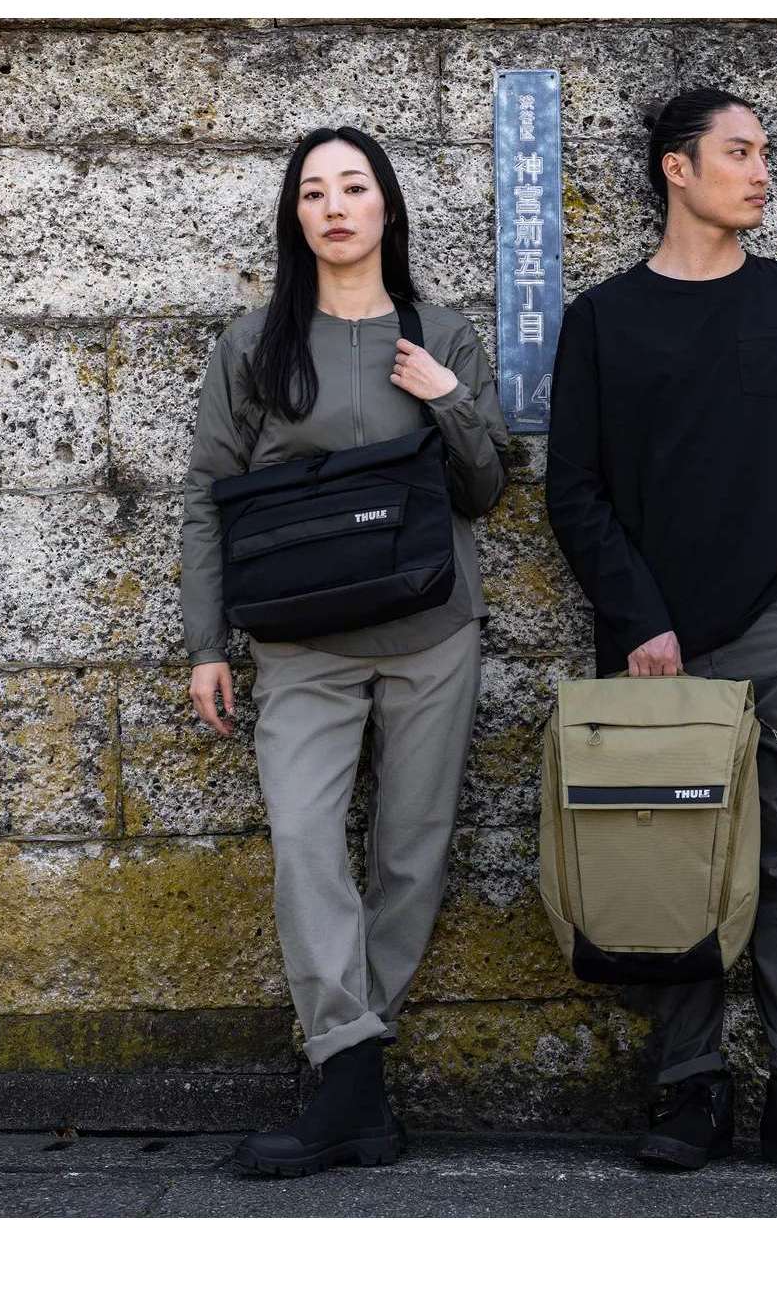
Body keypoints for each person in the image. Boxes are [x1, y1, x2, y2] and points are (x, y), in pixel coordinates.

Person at [544, 87, 777, 1180]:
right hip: (651, 643)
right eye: (738, 152)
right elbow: (573, 488)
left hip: (774, 628)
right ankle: (690, 1085)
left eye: (764, 154)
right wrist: (639, 617)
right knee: (668, 862)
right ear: (676, 168)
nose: (761, 172)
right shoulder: (604, 319)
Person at [181, 125, 510, 1176]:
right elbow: (207, 494)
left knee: (412, 849)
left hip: (431, 632)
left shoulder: (442, 333)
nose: (335, 207)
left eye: (354, 187)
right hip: (302, 643)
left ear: (387, 208)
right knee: (305, 841)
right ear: (296, 216)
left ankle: (349, 1089)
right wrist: (206, 642)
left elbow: (487, 489)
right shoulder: (256, 343)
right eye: (314, 191)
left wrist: (446, 399)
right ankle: (352, 1071)